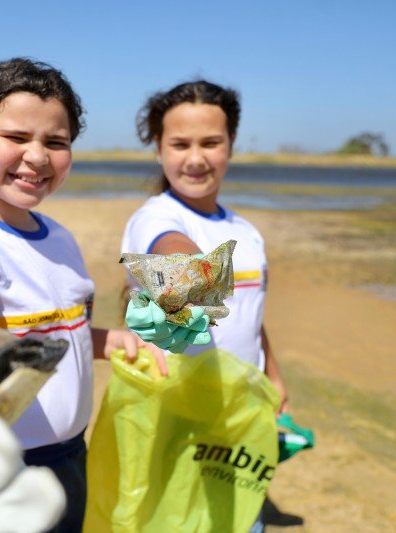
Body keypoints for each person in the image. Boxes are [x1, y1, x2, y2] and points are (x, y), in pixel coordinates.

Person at [0, 58, 168, 533]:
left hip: (71, 455)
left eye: (56, 142)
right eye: (16, 137)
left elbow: (57, 332)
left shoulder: (60, 238)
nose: (38, 156)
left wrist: (111, 341)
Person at [121, 80, 289, 532]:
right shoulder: (155, 217)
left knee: (243, 519)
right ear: (159, 149)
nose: (195, 159)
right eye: (180, 144)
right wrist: (187, 271)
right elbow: (171, 248)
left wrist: (273, 375)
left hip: (242, 412)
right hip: (178, 417)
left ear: (231, 144)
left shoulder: (246, 231)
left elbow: (251, 314)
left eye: (210, 143)